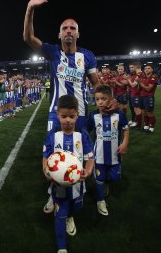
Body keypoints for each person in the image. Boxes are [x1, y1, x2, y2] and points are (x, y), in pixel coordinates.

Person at [24, 0, 100, 214]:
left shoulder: (87, 56)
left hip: (81, 115)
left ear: (78, 34)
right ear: (59, 35)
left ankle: (76, 192)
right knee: (55, 157)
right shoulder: (53, 52)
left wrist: (107, 102)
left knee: (77, 155)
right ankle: (53, 194)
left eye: (72, 28)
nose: (69, 30)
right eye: (65, 28)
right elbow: (28, 38)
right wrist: (30, 8)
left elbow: (96, 83)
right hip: (56, 114)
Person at [42, 95, 94, 253]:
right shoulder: (53, 135)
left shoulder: (82, 134)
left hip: (77, 182)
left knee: (74, 207)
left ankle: (70, 216)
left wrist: (89, 170)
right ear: (57, 115)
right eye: (63, 116)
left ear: (77, 115)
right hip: (58, 184)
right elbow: (45, 156)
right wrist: (46, 170)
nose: (68, 120)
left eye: (72, 116)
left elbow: (90, 157)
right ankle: (62, 247)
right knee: (61, 211)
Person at [88, 85, 129, 216]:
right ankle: (100, 201)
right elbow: (86, 131)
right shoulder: (93, 115)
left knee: (115, 177)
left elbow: (125, 129)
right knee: (99, 178)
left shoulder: (119, 114)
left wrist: (125, 143)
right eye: (97, 99)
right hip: (98, 155)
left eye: (103, 99)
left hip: (115, 155)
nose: (100, 102)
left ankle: (107, 183)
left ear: (110, 99)